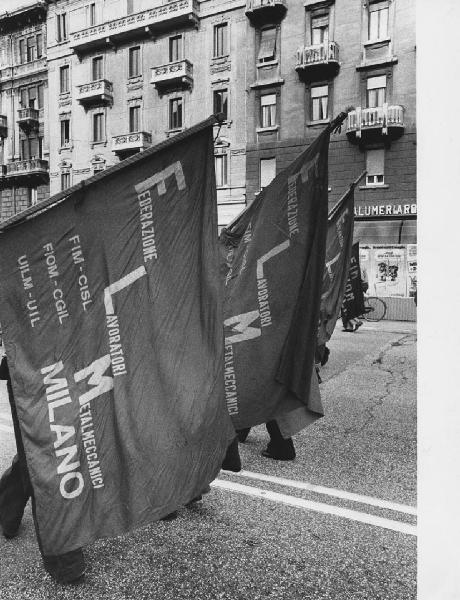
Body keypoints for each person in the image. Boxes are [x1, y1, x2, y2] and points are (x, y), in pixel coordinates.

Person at [0, 355, 86, 585]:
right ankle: (64, 559)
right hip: (29, 367)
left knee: (43, 454)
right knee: (48, 459)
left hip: (58, 359)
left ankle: (6, 507)